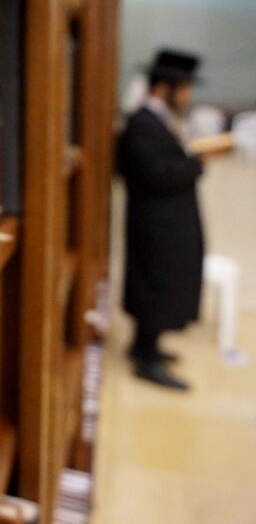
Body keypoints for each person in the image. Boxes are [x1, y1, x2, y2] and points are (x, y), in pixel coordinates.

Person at [116, 49, 221, 390]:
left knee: (164, 284)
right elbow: (155, 174)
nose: (188, 96)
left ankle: (147, 346)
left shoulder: (160, 120)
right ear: (164, 88)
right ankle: (146, 359)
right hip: (154, 224)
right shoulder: (143, 123)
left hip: (167, 222)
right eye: (184, 88)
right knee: (155, 285)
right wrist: (197, 162)